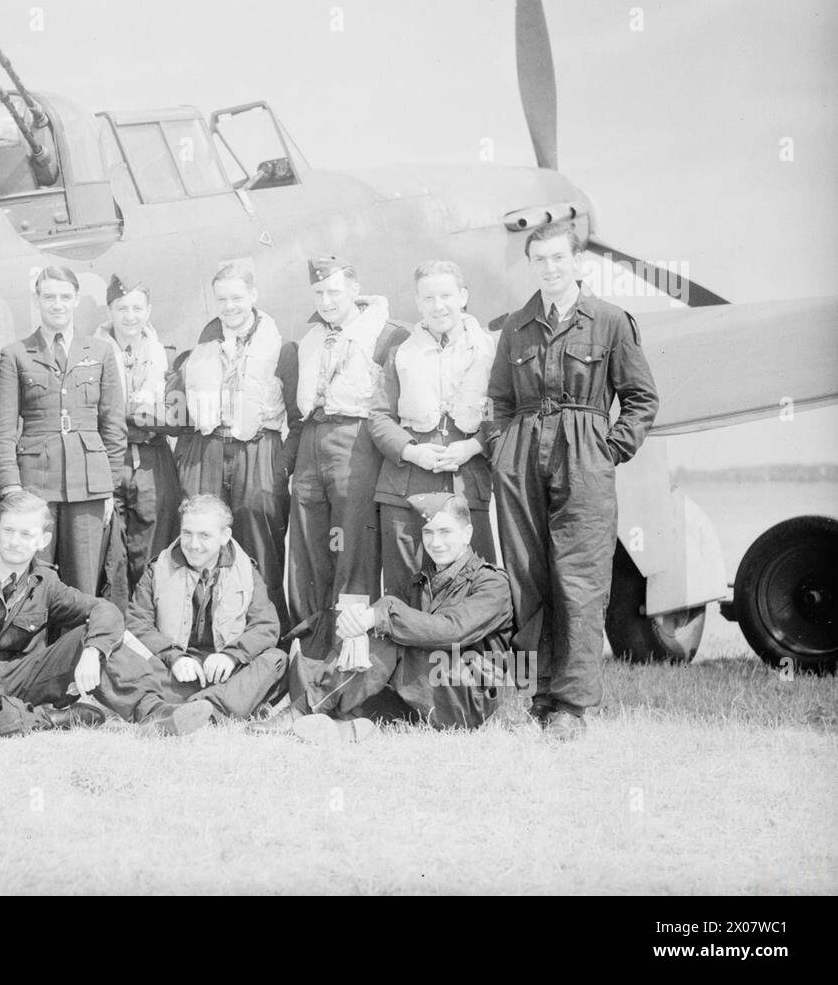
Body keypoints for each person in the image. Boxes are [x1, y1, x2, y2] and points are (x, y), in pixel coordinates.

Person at [488, 220, 659, 740]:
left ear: (577, 262)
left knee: (580, 581)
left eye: (559, 258)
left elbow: (640, 397)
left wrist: (609, 450)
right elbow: (497, 399)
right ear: (532, 264)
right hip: (521, 459)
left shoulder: (609, 321)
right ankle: (541, 696)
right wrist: (501, 448)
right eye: (540, 260)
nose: (550, 268)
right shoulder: (516, 325)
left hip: (584, 457)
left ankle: (572, 706)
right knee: (530, 578)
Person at [0, 490, 213, 738]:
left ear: (42, 540)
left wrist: (93, 652)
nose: (15, 542)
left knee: (97, 637)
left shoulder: (46, 581)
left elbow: (106, 610)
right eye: (8, 531)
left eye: (26, 534)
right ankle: (52, 718)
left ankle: (154, 712)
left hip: (25, 675)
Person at [255, 492, 514, 743]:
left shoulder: (491, 582)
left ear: (467, 533)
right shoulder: (424, 581)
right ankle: (345, 725)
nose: (436, 542)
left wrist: (382, 614)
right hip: (426, 692)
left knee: (387, 625)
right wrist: (362, 621)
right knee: (377, 631)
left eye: (445, 532)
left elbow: (452, 630)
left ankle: (302, 710)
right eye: (428, 532)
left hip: (470, 699)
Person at [288, 255, 408, 658]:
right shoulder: (309, 339)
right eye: (319, 292)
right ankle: (310, 649)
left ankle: (352, 650)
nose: (326, 300)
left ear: (355, 290)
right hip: (312, 438)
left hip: (355, 441)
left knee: (352, 545)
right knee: (308, 545)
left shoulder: (385, 334)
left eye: (334, 291)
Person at [173, 263, 300, 631]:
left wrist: (280, 465)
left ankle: (270, 633)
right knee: (203, 542)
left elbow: (299, 417)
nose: (230, 306)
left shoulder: (282, 349)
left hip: (258, 450)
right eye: (222, 299)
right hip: (209, 450)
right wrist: (187, 461)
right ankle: (203, 632)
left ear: (253, 296)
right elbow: (181, 411)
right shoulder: (202, 347)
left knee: (261, 545)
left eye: (237, 298)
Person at [0, 265, 125, 596]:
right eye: (49, 296)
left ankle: (82, 647)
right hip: (36, 486)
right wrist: (11, 487)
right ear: (38, 300)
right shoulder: (16, 354)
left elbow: (113, 426)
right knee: (33, 582)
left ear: (77, 299)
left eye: (65, 297)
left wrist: (109, 488)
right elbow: (3, 429)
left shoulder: (101, 352)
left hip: (89, 485)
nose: (57, 304)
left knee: (84, 585)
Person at [369, 260, 496, 597]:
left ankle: (471, 651)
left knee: (473, 580)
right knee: (405, 583)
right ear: (418, 302)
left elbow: (501, 411)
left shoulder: (489, 350)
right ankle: (406, 651)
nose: (438, 306)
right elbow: (379, 416)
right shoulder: (399, 352)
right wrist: (413, 452)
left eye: (446, 295)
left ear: (463, 296)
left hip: (464, 478)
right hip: (408, 481)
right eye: (428, 298)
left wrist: (472, 447)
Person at [126, 494, 287, 720]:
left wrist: (231, 656)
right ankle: (217, 707)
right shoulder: (158, 568)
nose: (193, 545)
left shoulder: (245, 571)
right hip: (175, 673)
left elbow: (266, 626)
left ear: (225, 536)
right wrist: (174, 657)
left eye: (204, 535)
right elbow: (136, 623)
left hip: (225, 673)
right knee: (119, 657)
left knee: (276, 660)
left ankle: (195, 709)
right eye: (187, 533)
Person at [95, 274, 184, 593]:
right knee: (111, 548)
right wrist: (144, 413)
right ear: (110, 311)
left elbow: (177, 418)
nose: (130, 317)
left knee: (154, 546)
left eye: (137, 308)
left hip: (152, 460)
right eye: (121, 308)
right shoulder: (91, 355)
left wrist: (125, 412)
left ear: (148, 310)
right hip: (110, 460)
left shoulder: (167, 356)